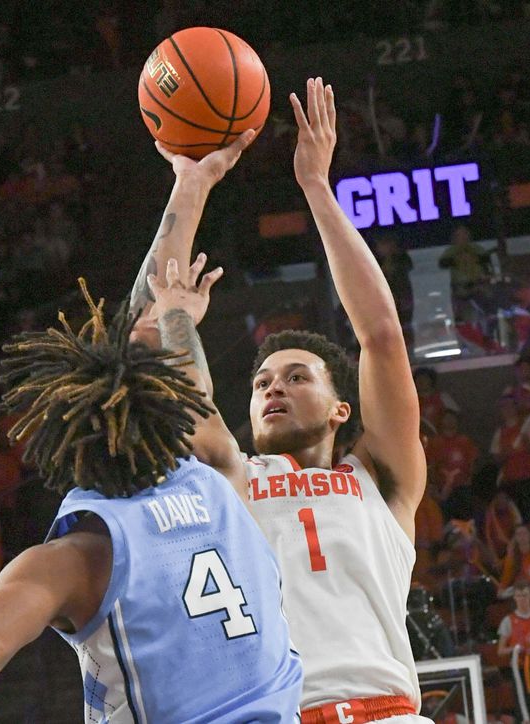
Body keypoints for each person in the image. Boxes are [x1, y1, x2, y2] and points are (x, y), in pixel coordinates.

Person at [143, 78, 430, 722]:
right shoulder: (235, 478)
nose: (273, 387)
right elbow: (181, 397)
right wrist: (178, 316)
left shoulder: (381, 478)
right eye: (262, 382)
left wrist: (319, 192)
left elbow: (381, 337)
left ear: (341, 408)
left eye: (297, 376)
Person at [0, 283, 302, 724]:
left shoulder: (75, 558)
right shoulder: (222, 481)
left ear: (62, 449)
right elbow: (197, 391)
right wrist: (176, 317)